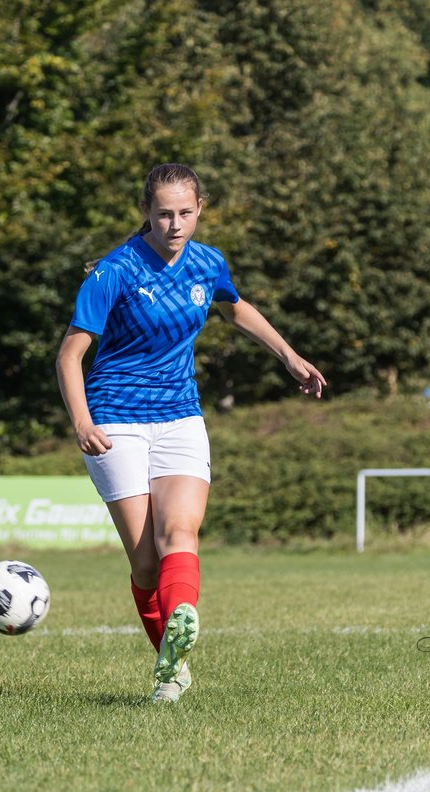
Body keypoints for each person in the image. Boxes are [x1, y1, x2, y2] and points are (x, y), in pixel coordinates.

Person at [56, 163, 326, 703]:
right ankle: (171, 664)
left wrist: (289, 356)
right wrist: (82, 421)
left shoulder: (208, 262)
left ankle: (174, 647)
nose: (175, 224)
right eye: (163, 214)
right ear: (146, 214)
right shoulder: (114, 271)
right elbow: (70, 353)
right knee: (146, 561)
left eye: (185, 213)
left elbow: (233, 307)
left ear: (200, 209)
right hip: (115, 421)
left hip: (181, 417)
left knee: (180, 534)